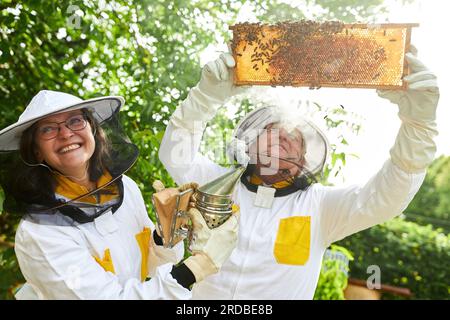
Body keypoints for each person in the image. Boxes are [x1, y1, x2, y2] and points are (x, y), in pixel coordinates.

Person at [158, 46, 439, 299]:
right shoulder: (217, 183)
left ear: (303, 158)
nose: (283, 136)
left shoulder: (322, 206)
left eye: (294, 137)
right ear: (252, 143)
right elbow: (174, 154)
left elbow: (386, 198)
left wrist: (418, 126)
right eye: (272, 131)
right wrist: (205, 96)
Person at [0, 90, 238, 299]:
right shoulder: (40, 233)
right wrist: (197, 267)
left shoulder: (125, 187)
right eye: (49, 129)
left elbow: (149, 268)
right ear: (36, 150)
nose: (65, 134)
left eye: (75, 121)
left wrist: (166, 233)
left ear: (92, 130)